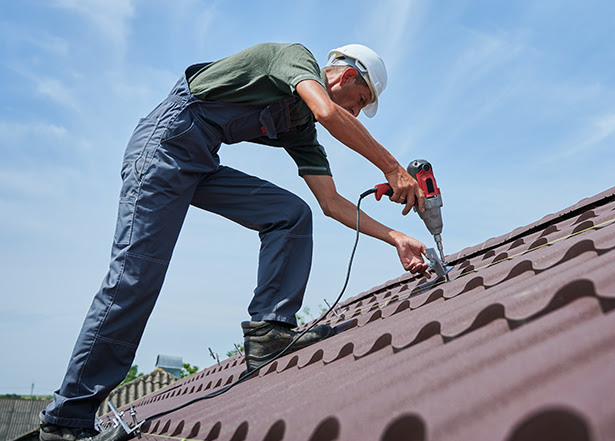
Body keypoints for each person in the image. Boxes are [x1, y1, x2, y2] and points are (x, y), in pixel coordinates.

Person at [39, 42, 429, 441]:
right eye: (360, 100)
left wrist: (395, 237)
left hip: (201, 161)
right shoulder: (295, 59)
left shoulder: (299, 125)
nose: (357, 112)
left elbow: (330, 203)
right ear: (346, 77)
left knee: (290, 215)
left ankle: (269, 332)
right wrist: (393, 168)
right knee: (134, 280)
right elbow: (328, 111)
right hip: (163, 148)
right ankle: (66, 420)